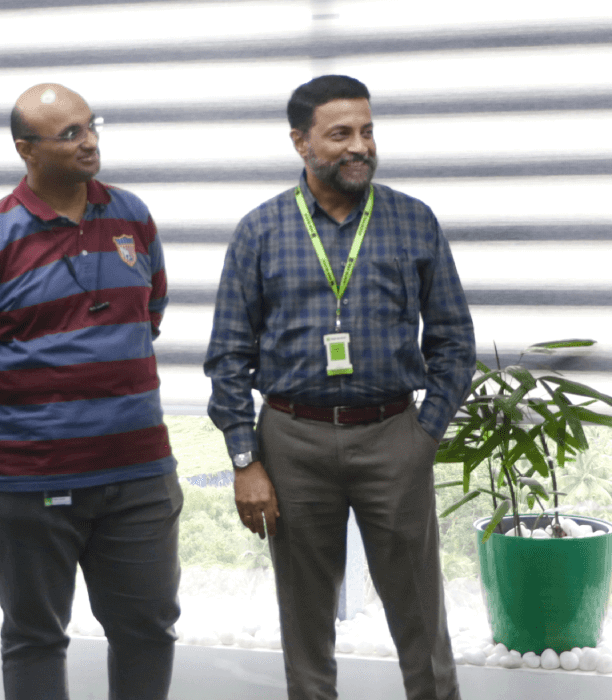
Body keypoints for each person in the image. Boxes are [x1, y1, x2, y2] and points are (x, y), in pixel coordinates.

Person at [204, 74, 475, 700]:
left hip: (392, 437)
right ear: (301, 143)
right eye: (341, 134)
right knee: (305, 625)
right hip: (291, 443)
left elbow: (455, 341)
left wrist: (424, 432)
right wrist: (245, 460)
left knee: (420, 619)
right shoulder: (261, 231)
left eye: (368, 131)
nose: (360, 147)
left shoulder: (412, 221)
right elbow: (227, 358)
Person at [0, 84, 181, 700]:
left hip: (137, 475)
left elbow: (147, 314)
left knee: (149, 627)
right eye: (69, 133)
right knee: (35, 636)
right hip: (25, 477)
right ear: (26, 150)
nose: (89, 141)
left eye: (90, 126)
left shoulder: (132, 217)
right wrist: (23, 398)